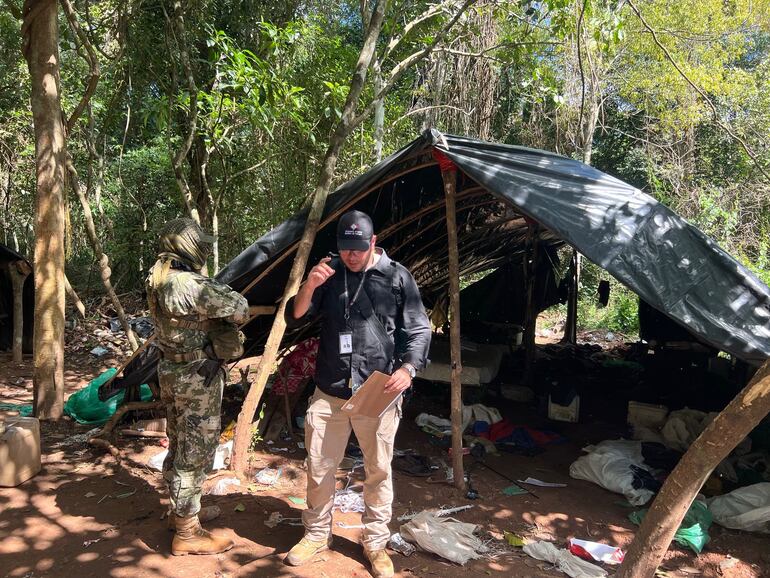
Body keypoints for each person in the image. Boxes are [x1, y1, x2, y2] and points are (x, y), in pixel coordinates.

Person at [285, 210, 431, 578]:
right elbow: (295, 316)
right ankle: (316, 534)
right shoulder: (329, 272)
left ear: (373, 241)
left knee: (378, 470)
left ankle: (375, 543)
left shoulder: (397, 277)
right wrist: (309, 285)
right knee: (319, 467)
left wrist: (408, 369)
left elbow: (419, 329)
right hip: (330, 388)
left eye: (359, 248)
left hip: (377, 390)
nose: (351, 255)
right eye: (345, 248)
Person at [145, 218, 249, 556]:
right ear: (187, 246)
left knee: (179, 443)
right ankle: (187, 533)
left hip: (171, 370)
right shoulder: (189, 284)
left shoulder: (158, 276)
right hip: (195, 376)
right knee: (196, 451)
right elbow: (240, 308)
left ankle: (182, 513)